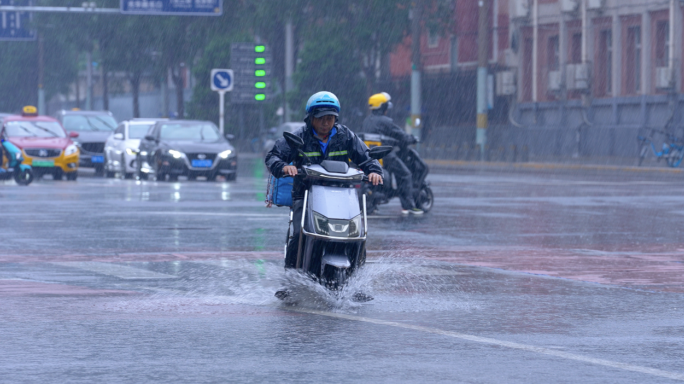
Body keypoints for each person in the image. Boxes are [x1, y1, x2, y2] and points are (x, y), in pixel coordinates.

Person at [265, 91, 383, 269]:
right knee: (298, 236)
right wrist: (283, 167)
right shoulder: (300, 137)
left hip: (342, 195)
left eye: (330, 117)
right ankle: (290, 280)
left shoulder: (346, 136)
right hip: (305, 196)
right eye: (321, 118)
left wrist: (374, 171)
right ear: (310, 117)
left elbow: (366, 156)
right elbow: (273, 156)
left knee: (357, 235)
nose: (326, 122)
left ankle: (357, 280)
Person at [362, 92, 423, 215]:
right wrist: (412, 138)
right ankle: (408, 206)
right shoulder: (386, 121)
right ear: (383, 107)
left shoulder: (367, 120)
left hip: (370, 156)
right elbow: (400, 135)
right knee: (405, 174)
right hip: (385, 156)